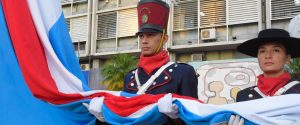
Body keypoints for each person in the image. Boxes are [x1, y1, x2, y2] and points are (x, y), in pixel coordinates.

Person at [122, 0, 198, 124]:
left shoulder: (183, 72)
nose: (144, 41)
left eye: (150, 35)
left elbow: (194, 120)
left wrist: (176, 117)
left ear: (164, 38)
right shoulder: (130, 77)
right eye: (141, 36)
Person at [236, 28, 300, 102]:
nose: (268, 56)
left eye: (276, 50)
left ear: (287, 58)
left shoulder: (297, 90)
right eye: (262, 51)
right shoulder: (244, 96)